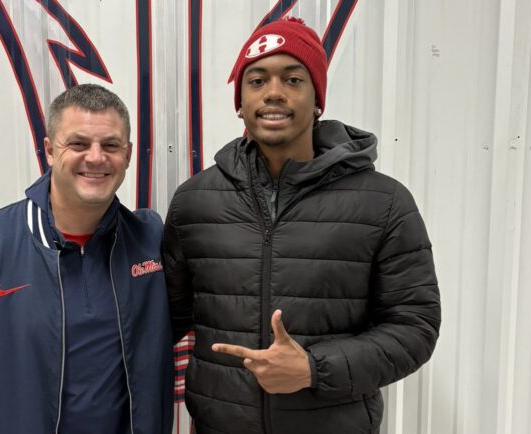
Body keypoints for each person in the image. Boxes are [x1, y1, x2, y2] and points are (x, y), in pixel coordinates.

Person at [163, 17, 441, 434]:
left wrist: (314, 369)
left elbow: (414, 327)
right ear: (239, 102)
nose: (274, 93)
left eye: (293, 79)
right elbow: (164, 318)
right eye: (256, 81)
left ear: (317, 101)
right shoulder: (194, 201)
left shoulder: (383, 202)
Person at [0, 84, 173, 434]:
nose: (95, 157)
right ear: (48, 149)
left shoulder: (150, 243)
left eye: (110, 145)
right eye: (77, 143)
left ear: (129, 154)